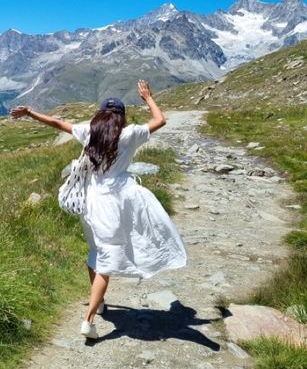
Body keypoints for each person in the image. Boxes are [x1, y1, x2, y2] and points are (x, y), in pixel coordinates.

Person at [10, 81, 187, 340]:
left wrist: (29, 113)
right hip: (116, 203)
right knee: (106, 262)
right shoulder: (129, 135)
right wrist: (148, 98)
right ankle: (89, 319)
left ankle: (99, 302)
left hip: (90, 202)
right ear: (122, 117)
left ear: (100, 114)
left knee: (95, 251)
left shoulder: (89, 132)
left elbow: (58, 123)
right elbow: (160, 120)